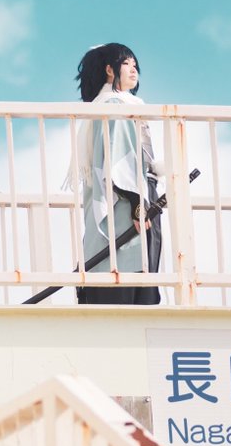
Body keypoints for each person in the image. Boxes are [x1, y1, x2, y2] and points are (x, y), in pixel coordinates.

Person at [65, 43, 163, 305]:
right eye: (126, 63)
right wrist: (137, 204)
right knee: (127, 278)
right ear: (110, 70)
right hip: (127, 204)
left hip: (135, 196)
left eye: (135, 64)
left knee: (130, 274)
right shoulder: (113, 105)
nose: (133, 69)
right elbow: (117, 161)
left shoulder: (120, 105)